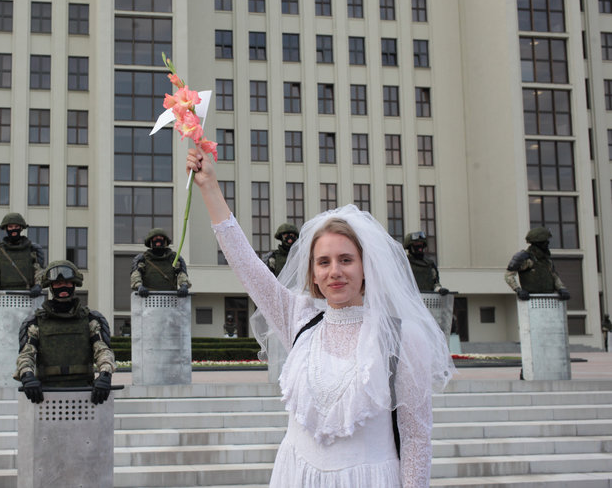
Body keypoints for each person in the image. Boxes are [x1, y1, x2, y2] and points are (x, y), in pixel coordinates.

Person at [185, 148, 453, 487]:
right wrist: (209, 187)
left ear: (366, 266)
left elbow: (416, 438)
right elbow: (246, 266)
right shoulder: (300, 319)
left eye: (346, 259)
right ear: (312, 273)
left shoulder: (400, 336)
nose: (335, 272)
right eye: (323, 262)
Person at [14, 260, 115, 405]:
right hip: (47, 394)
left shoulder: (90, 319)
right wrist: (27, 376)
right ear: (51, 287)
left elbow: (103, 350)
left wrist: (105, 374)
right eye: (58, 284)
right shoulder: (36, 322)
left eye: (67, 283)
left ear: (74, 285)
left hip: (85, 392)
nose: (63, 287)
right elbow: (26, 354)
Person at [0, 213, 45, 298]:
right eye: (10, 227)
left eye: (16, 227)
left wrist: (38, 285)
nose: (13, 229)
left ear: (21, 228)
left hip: (27, 295)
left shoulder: (33, 248)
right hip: (2, 295)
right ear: (6, 228)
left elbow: (39, 270)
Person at [504, 227, 570, 301]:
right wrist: (518, 290)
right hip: (532, 299)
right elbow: (508, 275)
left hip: (549, 298)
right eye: (545, 241)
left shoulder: (547, 259)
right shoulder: (524, 257)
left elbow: (554, 275)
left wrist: (561, 288)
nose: (548, 243)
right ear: (538, 243)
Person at [130, 228, 191, 297]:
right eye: (155, 238)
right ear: (151, 241)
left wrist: (184, 285)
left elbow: (182, 274)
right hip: (148, 298)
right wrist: (139, 286)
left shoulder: (174, 258)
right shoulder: (142, 258)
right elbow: (136, 275)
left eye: (160, 238)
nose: (158, 240)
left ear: (165, 240)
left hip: (170, 298)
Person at [403, 231, 449, 295]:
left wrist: (439, 289)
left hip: (427, 300)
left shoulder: (429, 264)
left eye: (421, 244)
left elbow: (435, 282)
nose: (419, 248)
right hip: (410, 300)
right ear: (410, 247)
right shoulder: (404, 263)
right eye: (416, 245)